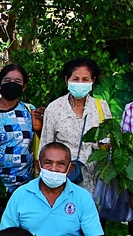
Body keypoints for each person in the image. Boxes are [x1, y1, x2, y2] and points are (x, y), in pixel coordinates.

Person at [0, 142, 104, 236]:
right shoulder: (21, 194)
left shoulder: (82, 197)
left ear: (69, 169)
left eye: (60, 164)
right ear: (38, 166)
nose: (54, 169)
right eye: (48, 163)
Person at [38, 57, 111, 198]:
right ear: (67, 80)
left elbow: (107, 141)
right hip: (62, 178)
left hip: (93, 180)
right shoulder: (55, 108)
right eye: (75, 79)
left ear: (93, 81)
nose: (80, 83)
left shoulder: (101, 107)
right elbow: (45, 146)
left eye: (85, 79)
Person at [0, 64, 43, 196]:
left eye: (17, 81)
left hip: (23, 186)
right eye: (7, 81)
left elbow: (40, 140)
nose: (12, 84)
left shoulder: (29, 111)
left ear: (24, 86)